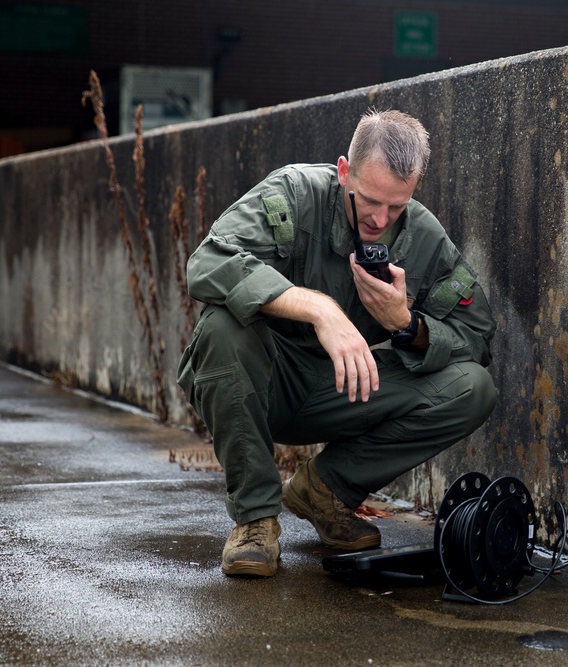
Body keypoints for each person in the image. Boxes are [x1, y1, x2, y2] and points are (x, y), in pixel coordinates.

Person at [177, 109, 498, 577]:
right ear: (344, 170)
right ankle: (255, 520)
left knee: (474, 387)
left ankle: (326, 490)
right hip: (264, 380)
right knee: (221, 327)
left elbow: (477, 334)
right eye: (369, 199)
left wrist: (406, 324)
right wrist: (319, 309)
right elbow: (208, 261)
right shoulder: (294, 193)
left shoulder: (424, 238)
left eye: (396, 206)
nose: (379, 218)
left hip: (342, 390)